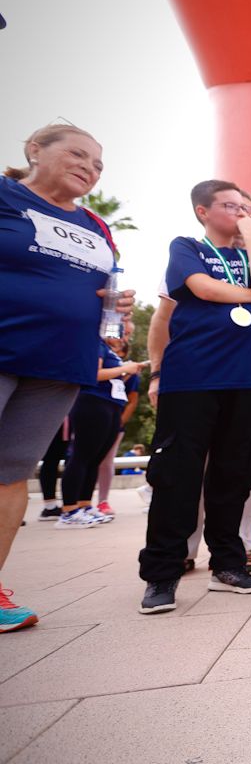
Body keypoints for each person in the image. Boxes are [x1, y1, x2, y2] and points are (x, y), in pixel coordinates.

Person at [1, 122, 133, 633]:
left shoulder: (98, 227)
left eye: (98, 164)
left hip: (60, 364)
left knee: (11, 473)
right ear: (35, 150)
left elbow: (106, 287)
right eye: (78, 154)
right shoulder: (5, 194)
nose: (90, 168)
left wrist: (118, 305)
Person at [138, 179, 251, 614]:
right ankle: (162, 574)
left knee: (234, 473)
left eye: (245, 207)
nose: (241, 213)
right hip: (193, 377)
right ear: (203, 210)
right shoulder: (186, 247)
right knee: (177, 474)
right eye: (230, 206)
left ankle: (228, 563)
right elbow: (202, 288)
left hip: (248, 378)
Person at [56, 339, 143, 528]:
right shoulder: (96, 344)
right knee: (81, 456)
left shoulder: (109, 351)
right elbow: (94, 374)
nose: (126, 329)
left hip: (111, 403)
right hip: (92, 402)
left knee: (95, 459)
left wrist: (126, 371)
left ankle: (85, 505)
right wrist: (124, 368)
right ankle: (69, 510)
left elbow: (113, 378)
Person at [94, 335, 142, 516]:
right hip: (96, 408)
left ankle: (102, 501)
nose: (118, 346)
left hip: (114, 414)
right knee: (87, 457)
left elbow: (132, 400)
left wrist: (120, 421)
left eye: (122, 347)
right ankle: (77, 503)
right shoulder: (100, 351)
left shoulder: (128, 373)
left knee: (106, 460)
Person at [37, 422, 70, 521]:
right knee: (50, 460)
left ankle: (67, 505)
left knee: (68, 461)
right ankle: (50, 507)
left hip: (65, 422)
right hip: (53, 422)